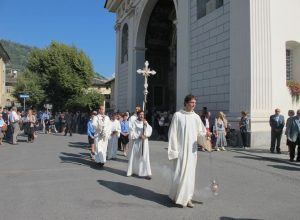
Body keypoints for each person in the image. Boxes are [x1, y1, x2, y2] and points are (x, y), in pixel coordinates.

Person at [168, 94, 207, 208]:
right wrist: (174, 150)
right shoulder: (178, 115)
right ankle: (176, 196)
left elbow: (200, 133)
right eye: (191, 102)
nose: (194, 105)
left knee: (190, 175)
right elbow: (172, 133)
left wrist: (206, 136)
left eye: (195, 103)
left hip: (192, 151)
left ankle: (187, 198)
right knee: (179, 173)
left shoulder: (196, 117)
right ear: (186, 103)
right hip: (180, 151)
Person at [127, 110, 152, 179]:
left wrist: (146, 135)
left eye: (143, 114)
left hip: (144, 142)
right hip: (137, 142)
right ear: (137, 115)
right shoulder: (134, 123)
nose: (141, 116)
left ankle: (145, 173)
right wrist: (139, 136)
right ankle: (133, 171)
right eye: (140, 114)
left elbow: (150, 130)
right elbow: (131, 133)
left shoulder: (145, 122)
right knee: (135, 156)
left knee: (144, 157)